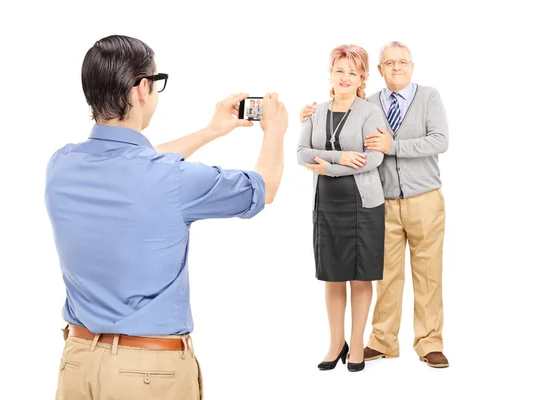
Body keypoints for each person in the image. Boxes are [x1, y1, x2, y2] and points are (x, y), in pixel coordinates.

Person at [45, 34, 288, 400]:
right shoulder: (170, 179)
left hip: (77, 364)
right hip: (148, 374)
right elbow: (264, 188)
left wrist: (211, 131)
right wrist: (276, 131)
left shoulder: (60, 165)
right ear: (142, 88)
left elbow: (133, 164)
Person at [299, 41, 449, 368]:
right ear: (379, 71)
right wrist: (307, 116)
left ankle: (429, 343)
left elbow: (440, 141)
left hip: (424, 199)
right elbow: (332, 125)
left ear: (412, 66)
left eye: (403, 62)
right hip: (383, 201)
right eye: (389, 63)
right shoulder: (372, 102)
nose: (397, 68)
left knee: (428, 275)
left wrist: (392, 145)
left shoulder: (429, 97)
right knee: (385, 276)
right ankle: (382, 341)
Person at [297, 44, 387, 372]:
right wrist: (339, 157)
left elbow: (374, 158)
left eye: (352, 71)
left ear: (362, 76)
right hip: (326, 204)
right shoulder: (315, 112)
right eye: (339, 70)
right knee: (333, 277)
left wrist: (329, 167)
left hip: (363, 205)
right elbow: (301, 154)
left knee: (361, 278)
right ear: (331, 74)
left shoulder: (370, 113)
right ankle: (336, 343)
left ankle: (358, 343)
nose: (345, 77)